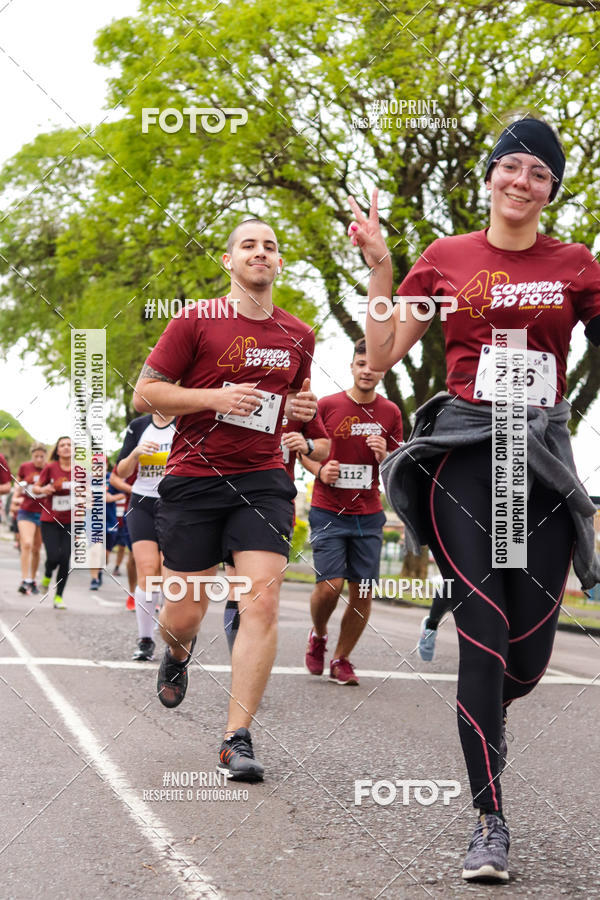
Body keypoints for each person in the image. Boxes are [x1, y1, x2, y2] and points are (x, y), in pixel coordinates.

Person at [348, 117, 600, 882]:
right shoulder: (447, 258)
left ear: (551, 190)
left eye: (539, 174)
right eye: (511, 167)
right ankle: (489, 820)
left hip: (542, 454)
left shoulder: (577, 264)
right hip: (464, 448)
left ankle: (491, 716)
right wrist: (383, 269)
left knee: (525, 659)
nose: (522, 182)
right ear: (490, 177)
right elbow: (386, 350)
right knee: (483, 633)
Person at [133, 218, 316, 781]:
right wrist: (214, 396)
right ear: (229, 260)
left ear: (279, 262)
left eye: (271, 246)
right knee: (184, 613)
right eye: (249, 245)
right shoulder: (196, 320)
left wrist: (302, 417)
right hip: (193, 479)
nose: (260, 253)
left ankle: (236, 738)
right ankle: (178, 652)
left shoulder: (299, 334)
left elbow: (296, 403)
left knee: (258, 602)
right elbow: (145, 393)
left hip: (262, 480)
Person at [302, 338, 403, 685]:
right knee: (330, 586)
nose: (367, 371)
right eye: (361, 364)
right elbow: (304, 447)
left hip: (369, 512)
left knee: (363, 590)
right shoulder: (328, 405)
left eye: (373, 365)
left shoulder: (391, 413)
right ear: (352, 366)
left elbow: (397, 466)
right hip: (328, 508)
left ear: (382, 370)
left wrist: (384, 457)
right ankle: (318, 635)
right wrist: (319, 470)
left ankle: (342, 659)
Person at [223, 409, 330, 653]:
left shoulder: (301, 402)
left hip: (276, 503)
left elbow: (324, 448)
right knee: (237, 586)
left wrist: (307, 444)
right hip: (234, 498)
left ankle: (245, 665)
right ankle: (236, 660)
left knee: (263, 593)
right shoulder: (245, 386)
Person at [115, 413, 176, 660]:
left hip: (174, 504)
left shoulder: (185, 422)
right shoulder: (138, 426)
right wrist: (136, 453)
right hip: (141, 503)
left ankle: (177, 636)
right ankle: (146, 639)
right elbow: (121, 470)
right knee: (148, 570)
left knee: (169, 572)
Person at [34, 436, 73, 610]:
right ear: (57, 450)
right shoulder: (50, 467)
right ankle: (48, 574)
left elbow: (88, 489)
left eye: (69, 445)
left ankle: (58, 596)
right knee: (53, 557)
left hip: (71, 521)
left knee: (65, 559)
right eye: (62, 445)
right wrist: (44, 489)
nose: (66, 448)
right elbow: (36, 488)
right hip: (50, 519)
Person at [15, 444, 48, 595]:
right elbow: (17, 484)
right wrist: (16, 496)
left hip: (43, 512)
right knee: (26, 544)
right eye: (36, 456)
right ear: (32, 456)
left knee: (36, 548)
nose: (39, 459)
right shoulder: (25, 467)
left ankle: (32, 579)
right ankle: (24, 579)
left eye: (42, 456)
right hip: (26, 511)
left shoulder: (49, 469)